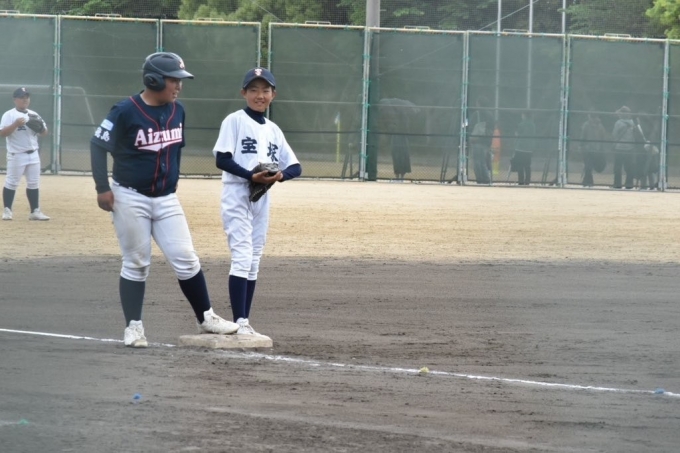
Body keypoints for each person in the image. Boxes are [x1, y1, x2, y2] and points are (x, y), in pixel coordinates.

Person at [90, 52, 239, 348]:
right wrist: (102, 187)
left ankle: (206, 317)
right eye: (173, 80)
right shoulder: (125, 110)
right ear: (153, 80)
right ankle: (134, 327)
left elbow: (174, 152)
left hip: (167, 199)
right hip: (129, 197)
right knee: (136, 262)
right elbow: (97, 145)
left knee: (186, 257)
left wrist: (172, 181)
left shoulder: (177, 111)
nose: (179, 86)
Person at [213, 67, 302, 336]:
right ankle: (239, 321)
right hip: (237, 193)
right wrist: (251, 175)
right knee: (242, 256)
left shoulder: (274, 130)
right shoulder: (234, 121)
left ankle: (244, 321)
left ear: (274, 95)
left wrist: (279, 176)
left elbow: (295, 166)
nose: (259, 95)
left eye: (265, 90)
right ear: (244, 93)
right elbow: (222, 159)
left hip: (262, 196)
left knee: (254, 259)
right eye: (253, 89)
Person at [1, 87, 50, 221]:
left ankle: (35, 211)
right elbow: (3, 133)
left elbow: (44, 133)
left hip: (33, 154)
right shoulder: (9, 115)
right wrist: (15, 124)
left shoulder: (34, 114)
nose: (25, 100)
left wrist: (41, 128)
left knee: (34, 183)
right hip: (17, 154)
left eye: (27, 97)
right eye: (21, 97)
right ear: (15, 99)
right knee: (11, 182)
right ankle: (7, 210)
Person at [578, 110, 608, 187]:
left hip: (591, 149)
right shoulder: (599, 126)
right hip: (592, 149)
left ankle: (588, 182)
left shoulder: (587, 125)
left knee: (588, 166)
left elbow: (583, 137)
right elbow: (603, 138)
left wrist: (581, 146)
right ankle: (587, 182)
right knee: (588, 166)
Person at [468, 97, 494, 184]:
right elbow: (492, 127)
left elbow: (471, 126)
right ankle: (486, 178)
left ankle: (480, 178)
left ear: (479, 104)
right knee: (483, 161)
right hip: (486, 141)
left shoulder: (476, 114)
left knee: (477, 162)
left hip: (477, 140)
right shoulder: (490, 115)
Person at [611, 106, 636, 189]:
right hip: (630, 148)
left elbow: (614, 134)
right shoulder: (632, 123)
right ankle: (629, 184)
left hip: (619, 148)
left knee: (617, 167)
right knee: (629, 168)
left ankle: (617, 184)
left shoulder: (618, 123)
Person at [511, 110, 536, 185]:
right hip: (529, 149)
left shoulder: (521, 124)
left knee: (520, 165)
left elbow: (517, 134)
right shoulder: (533, 125)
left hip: (520, 148)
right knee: (527, 166)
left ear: (524, 115)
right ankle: (527, 181)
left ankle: (521, 181)